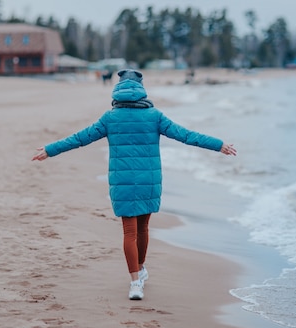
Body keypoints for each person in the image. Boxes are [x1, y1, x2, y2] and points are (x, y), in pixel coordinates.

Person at [32, 69, 237, 300]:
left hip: (122, 181)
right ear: (141, 89)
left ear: (118, 90)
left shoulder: (110, 118)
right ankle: (140, 269)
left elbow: (79, 138)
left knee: (129, 231)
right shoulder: (154, 116)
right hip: (149, 180)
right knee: (143, 229)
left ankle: (135, 282)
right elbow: (186, 135)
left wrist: (50, 150)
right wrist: (218, 145)